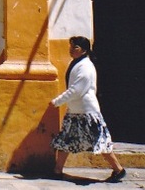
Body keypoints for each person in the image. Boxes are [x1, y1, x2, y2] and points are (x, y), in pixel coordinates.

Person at [50, 36, 127, 183]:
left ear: (84, 50)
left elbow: (76, 90)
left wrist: (57, 101)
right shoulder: (77, 63)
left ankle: (118, 170)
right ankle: (57, 170)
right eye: (71, 46)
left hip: (87, 113)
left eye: (75, 47)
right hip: (75, 111)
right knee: (66, 139)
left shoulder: (86, 67)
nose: (71, 50)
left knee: (100, 141)